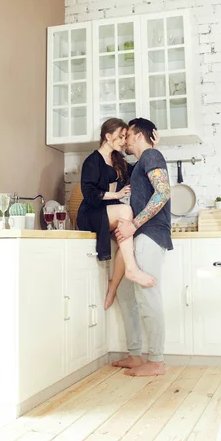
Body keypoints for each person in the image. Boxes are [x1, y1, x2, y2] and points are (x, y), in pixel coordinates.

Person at [112, 117, 172, 377]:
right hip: (140, 234)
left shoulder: (150, 155)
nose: (124, 140)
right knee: (127, 295)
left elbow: (162, 192)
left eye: (127, 135)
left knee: (147, 297)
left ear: (137, 135)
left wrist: (133, 224)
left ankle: (156, 360)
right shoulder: (144, 160)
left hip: (149, 234)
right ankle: (136, 355)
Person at [76, 119, 156, 307]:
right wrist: (117, 194)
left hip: (110, 212)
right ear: (108, 136)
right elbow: (88, 194)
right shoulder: (92, 161)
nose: (123, 141)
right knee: (126, 210)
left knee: (129, 239)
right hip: (91, 213)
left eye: (125, 136)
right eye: (120, 136)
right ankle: (132, 270)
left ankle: (113, 286)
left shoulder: (119, 160)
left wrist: (152, 148)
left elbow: (139, 169)